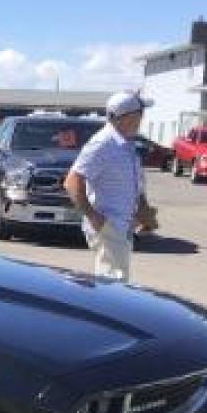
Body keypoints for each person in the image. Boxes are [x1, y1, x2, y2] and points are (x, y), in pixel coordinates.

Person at [64, 90, 159, 282]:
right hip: (109, 225)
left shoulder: (124, 143)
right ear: (127, 116)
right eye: (140, 113)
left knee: (116, 281)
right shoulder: (103, 143)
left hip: (122, 225)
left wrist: (144, 212)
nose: (142, 118)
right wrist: (93, 216)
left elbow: (132, 184)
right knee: (113, 284)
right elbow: (72, 181)